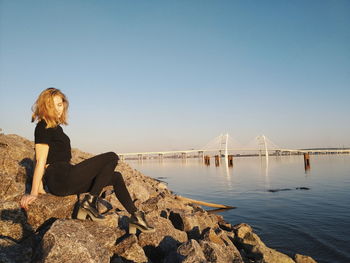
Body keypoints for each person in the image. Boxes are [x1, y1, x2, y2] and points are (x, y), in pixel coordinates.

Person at [20, 88, 154, 234]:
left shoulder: (56, 128)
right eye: (53, 105)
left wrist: (40, 186)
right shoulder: (42, 126)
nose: (58, 109)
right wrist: (34, 191)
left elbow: (38, 157)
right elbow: (39, 159)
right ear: (45, 106)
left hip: (67, 176)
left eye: (60, 104)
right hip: (61, 178)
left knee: (116, 177)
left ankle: (136, 216)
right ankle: (90, 202)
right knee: (112, 156)